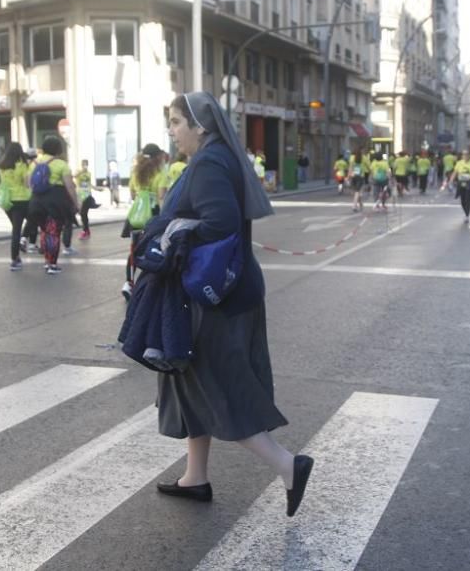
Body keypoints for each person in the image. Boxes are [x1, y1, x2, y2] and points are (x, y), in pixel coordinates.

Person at [157, 91, 313, 516]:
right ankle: (196, 476)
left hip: (215, 298)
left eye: (175, 122)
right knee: (193, 381)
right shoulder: (219, 156)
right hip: (230, 290)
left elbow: (218, 223)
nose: (172, 131)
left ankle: (287, 465)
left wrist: (172, 231)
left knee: (218, 386)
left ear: (199, 126)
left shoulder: (208, 163)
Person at [122, 143, 168, 299]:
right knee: (153, 248)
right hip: (152, 216)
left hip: (136, 217)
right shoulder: (160, 174)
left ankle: (129, 282)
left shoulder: (135, 173)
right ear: (157, 157)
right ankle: (150, 285)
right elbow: (162, 198)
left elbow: (133, 195)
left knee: (134, 249)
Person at [28, 136, 78, 274]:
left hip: (37, 201)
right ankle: (52, 264)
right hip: (56, 201)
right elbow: (70, 187)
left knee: (44, 231)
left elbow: (29, 183)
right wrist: (76, 203)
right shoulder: (61, 164)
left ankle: (46, 261)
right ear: (58, 148)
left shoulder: (34, 163)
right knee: (54, 233)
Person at [0, 142, 32, 270]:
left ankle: (15, 258)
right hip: (22, 199)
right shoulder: (22, 166)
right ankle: (17, 252)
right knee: (32, 219)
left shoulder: (2, 166)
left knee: (15, 228)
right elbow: (27, 183)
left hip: (7, 201)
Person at [443, 150, 470, 223]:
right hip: (461, 182)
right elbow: (455, 173)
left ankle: (467, 215)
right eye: (464, 155)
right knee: (462, 200)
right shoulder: (459, 163)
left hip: (469, 182)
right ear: (462, 156)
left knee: (467, 199)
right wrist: (451, 181)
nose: (465, 156)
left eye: (467, 155)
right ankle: (466, 212)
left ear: (469, 156)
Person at [73, 159, 101, 240]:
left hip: (87, 194)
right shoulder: (78, 171)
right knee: (83, 213)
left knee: (84, 213)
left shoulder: (89, 173)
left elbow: (89, 184)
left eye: (86, 164)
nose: (85, 166)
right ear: (81, 165)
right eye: (83, 164)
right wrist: (81, 171)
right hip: (80, 195)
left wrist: (96, 188)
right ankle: (86, 230)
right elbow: (74, 176)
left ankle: (85, 231)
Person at [348, 146, 369, 212]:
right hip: (360, 176)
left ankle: (360, 204)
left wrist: (348, 176)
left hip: (353, 176)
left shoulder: (352, 157)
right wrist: (371, 173)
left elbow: (350, 168)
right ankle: (354, 206)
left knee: (356, 191)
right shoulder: (364, 158)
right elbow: (369, 166)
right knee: (357, 192)